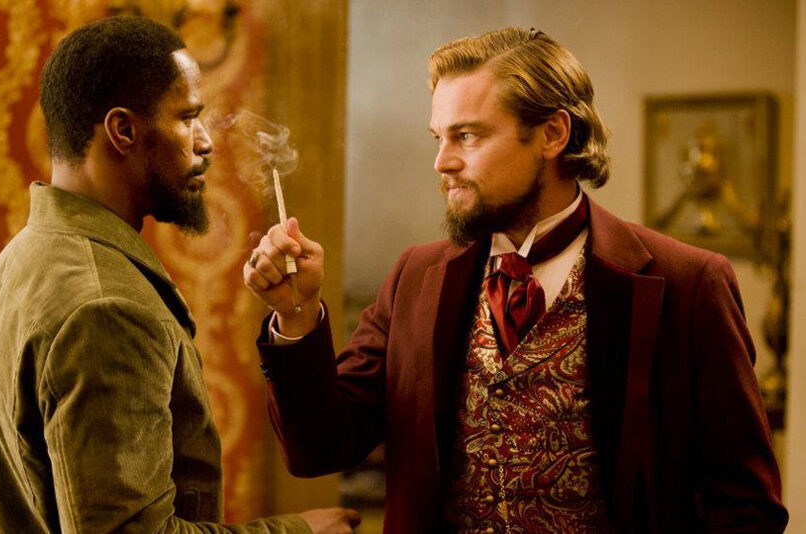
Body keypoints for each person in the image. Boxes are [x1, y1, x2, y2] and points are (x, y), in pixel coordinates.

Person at [244, 27, 787, 533]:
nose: (442, 162)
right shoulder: (415, 278)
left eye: (466, 136)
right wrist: (296, 314)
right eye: (438, 137)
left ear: (552, 134)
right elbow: (320, 447)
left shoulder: (687, 283)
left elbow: (746, 508)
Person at [0, 16, 360, 534]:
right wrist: (299, 532)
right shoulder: (107, 307)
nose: (205, 142)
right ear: (123, 130)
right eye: (188, 118)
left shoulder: (20, 260)